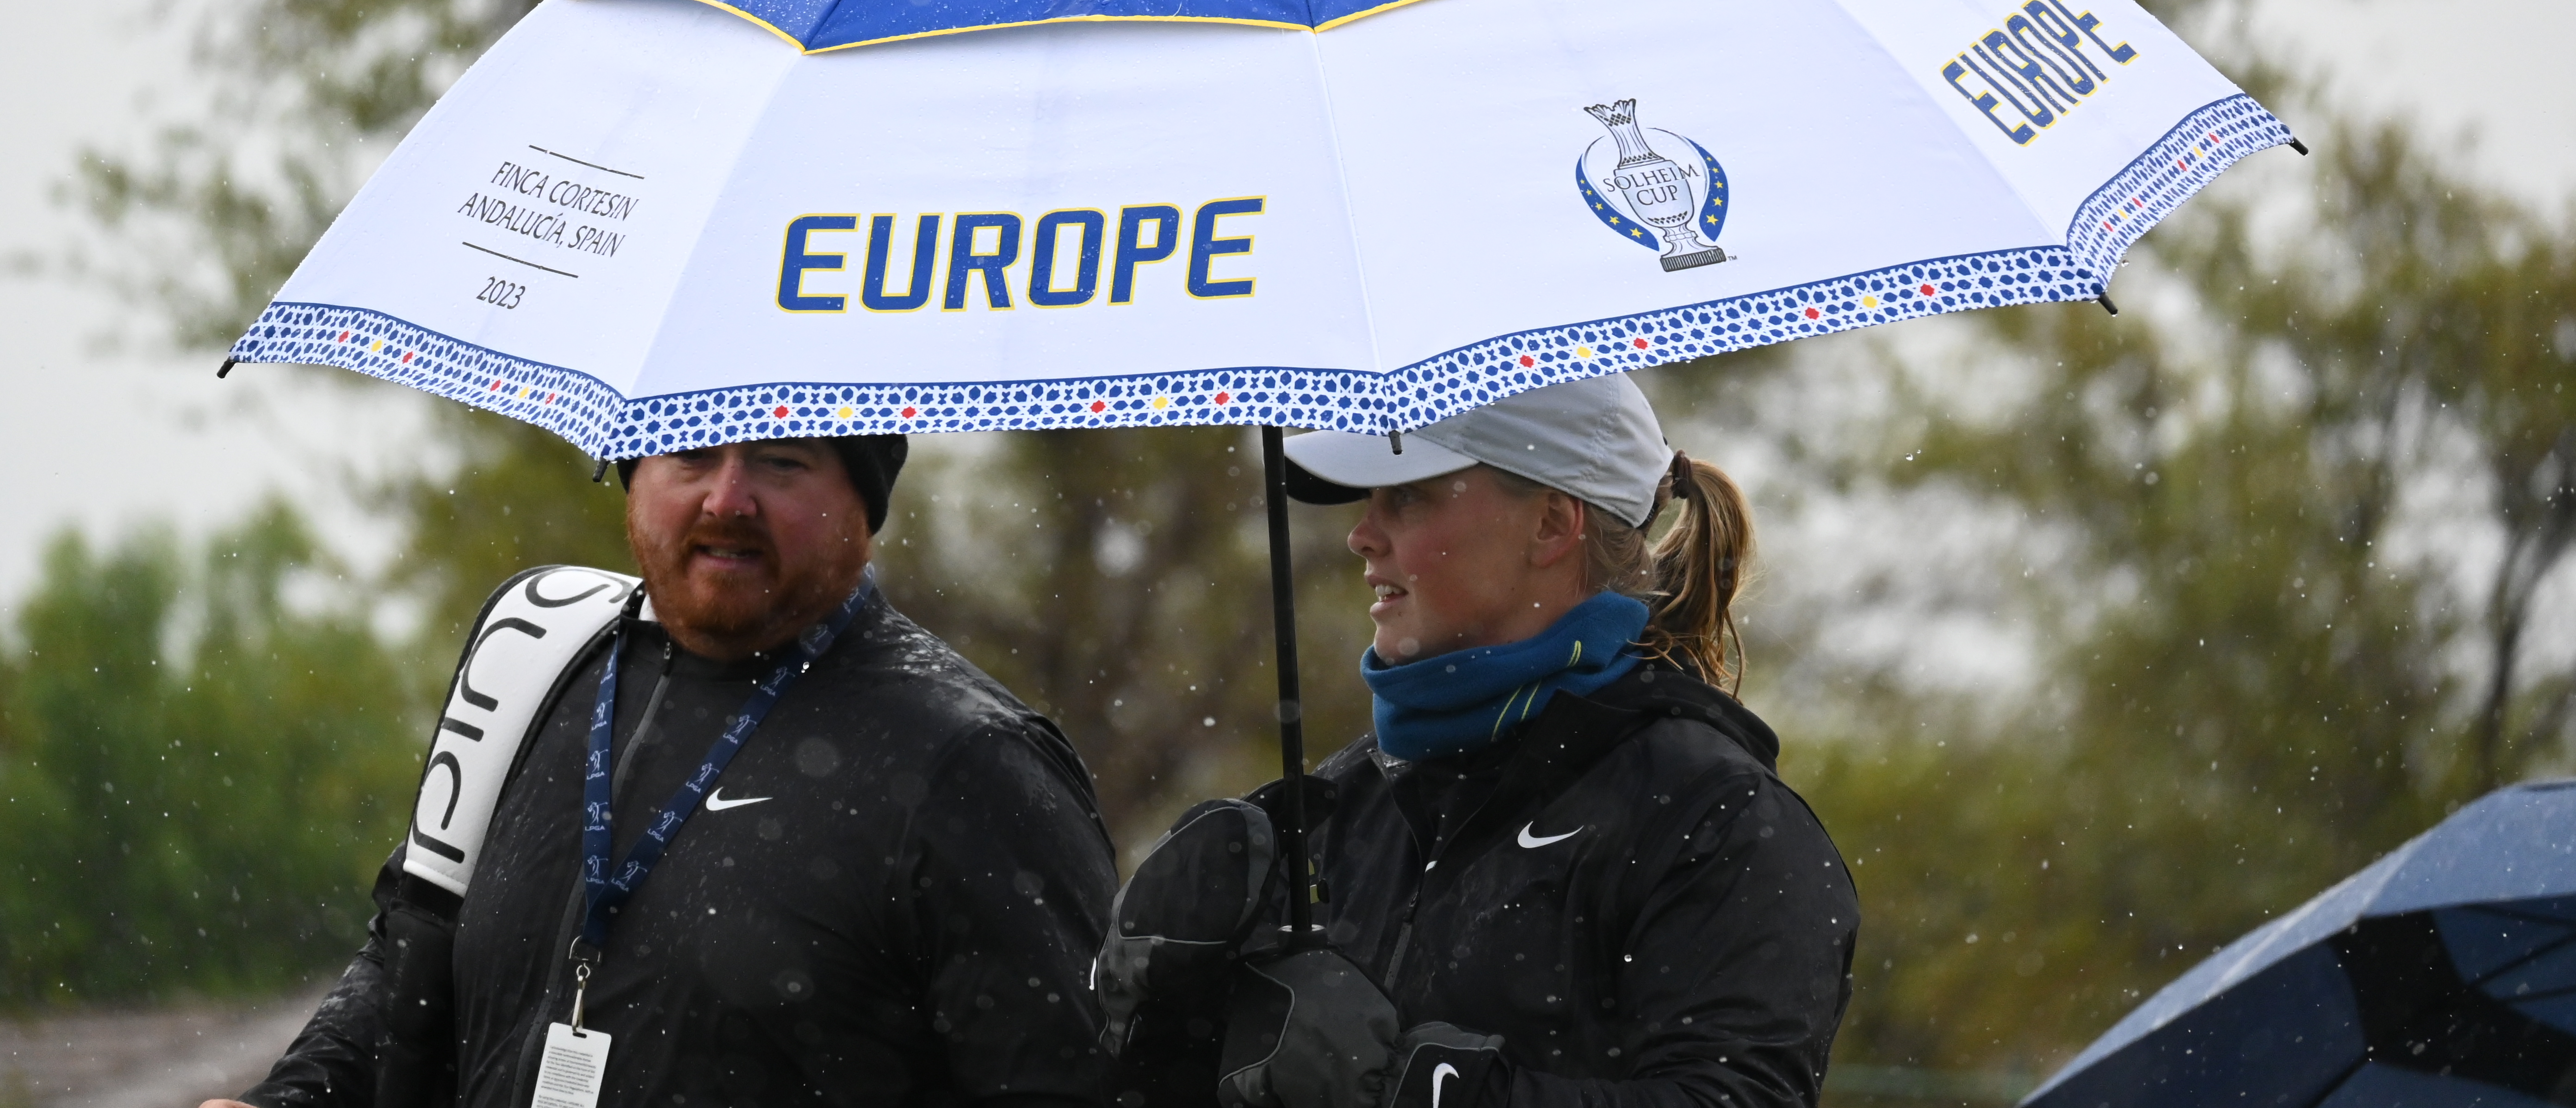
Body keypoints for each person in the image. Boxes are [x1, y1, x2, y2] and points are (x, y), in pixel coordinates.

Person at [214, 434, 1117, 1108]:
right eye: (689, 447)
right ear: (631, 468)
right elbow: (411, 962)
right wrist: (292, 1097)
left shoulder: (973, 765)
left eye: (782, 457)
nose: (728, 497)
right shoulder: (530, 651)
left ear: (865, 497)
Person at [1097, 375, 1858, 1108]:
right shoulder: (1338, 807)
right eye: (1371, 501)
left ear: (1554, 525)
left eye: (1411, 497)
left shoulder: (1717, 819)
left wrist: (1419, 1091)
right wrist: (1164, 1028)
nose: (1364, 536)